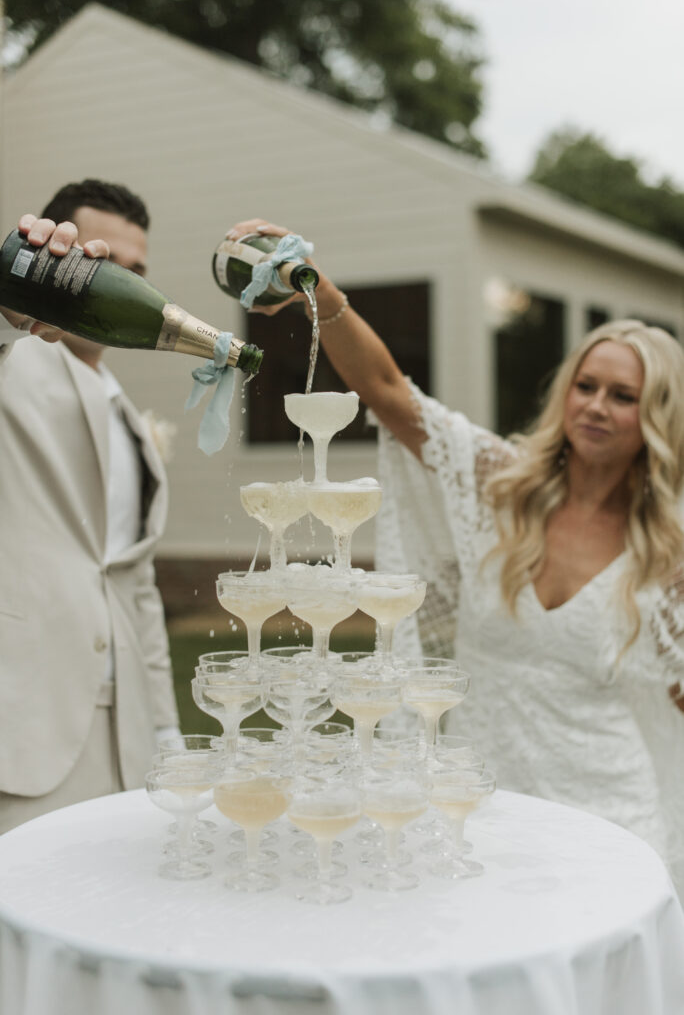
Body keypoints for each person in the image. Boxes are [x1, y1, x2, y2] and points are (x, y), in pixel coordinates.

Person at [226, 217, 684, 896]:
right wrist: (313, 287)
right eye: (587, 386)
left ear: (655, 418)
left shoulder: (667, 555)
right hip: (482, 811)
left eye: (623, 397)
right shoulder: (500, 488)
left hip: (613, 826)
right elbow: (387, 391)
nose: (596, 406)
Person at [0, 180, 180, 832]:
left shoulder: (128, 417)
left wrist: (165, 731)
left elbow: (134, 587)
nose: (124, 286)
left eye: (137, 272)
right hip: (21, 729)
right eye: (105, 266)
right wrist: (10, 305)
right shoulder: (10, 359)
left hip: (124, 744)